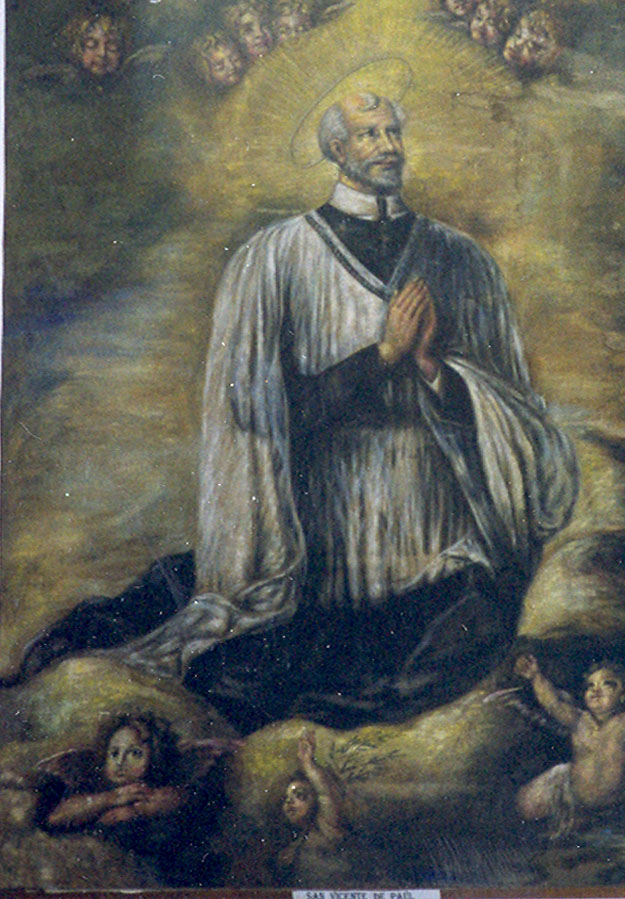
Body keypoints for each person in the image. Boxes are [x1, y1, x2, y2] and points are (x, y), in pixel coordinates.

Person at [115, 89, 578, 732]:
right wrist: (380, 357)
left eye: (393, 132)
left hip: (434, 536)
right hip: (327, 546)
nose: (388, 146)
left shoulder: (462, 260)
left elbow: (510, 413)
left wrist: (434, 371)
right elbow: (261, 417)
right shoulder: (275, 259)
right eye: (369, 134)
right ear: (336, 149)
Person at [38, 712, 233, 884]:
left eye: (135, 753)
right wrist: (111, 798)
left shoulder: (158, 791)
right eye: (114, 753)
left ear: (155, 757)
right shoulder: (99, 790)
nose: (120, 762)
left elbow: (178, 800)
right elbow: (55, 818)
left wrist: (134, 810)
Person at [514, 654, 625, 836]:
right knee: (525, 805)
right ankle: (574, 815)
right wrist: (535, 676)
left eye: (607, 684)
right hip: (575, 796)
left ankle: (587, 818)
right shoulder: (578, 720)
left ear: (624, 694)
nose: (596, 690)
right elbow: (551, 702)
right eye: (590, 685)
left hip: (612, 800)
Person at [275, 729, 348, 884]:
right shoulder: (294, 845)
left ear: (317, 802)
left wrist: (307, 763)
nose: (289, 802)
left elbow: (326, 794)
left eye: (300, 795)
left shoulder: (328, 829)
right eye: (287, 798)